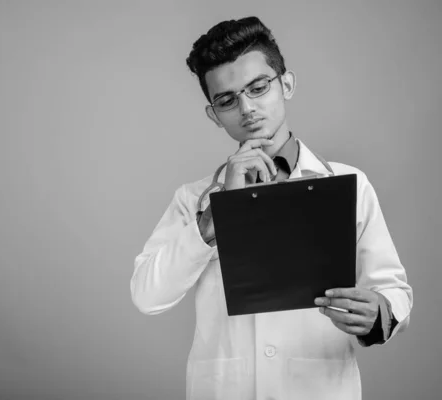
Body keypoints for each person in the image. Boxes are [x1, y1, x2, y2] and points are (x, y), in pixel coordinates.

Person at [130, 16, 413, 400]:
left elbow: (393, 291)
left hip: (317, 389)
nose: (247, 109)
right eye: (227, 100)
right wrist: (217, 216)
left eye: (258, 88)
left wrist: (377, 312)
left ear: (287, 85)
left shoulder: (350, 184)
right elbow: (147, 295)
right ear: (214, 115)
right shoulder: (194, 200)